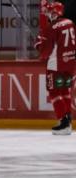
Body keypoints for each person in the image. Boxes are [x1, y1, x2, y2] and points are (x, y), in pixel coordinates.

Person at [35, 1, 75, 135]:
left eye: (47, 11)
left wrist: (38, 45)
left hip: (55, 65)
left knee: (54, 92)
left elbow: (44, 53)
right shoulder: (70, 22)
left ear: (53, 12)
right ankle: (68, 121)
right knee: (65, 90)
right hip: (70, 64)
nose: (46, 14)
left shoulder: (51, 27)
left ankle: (63, 122)